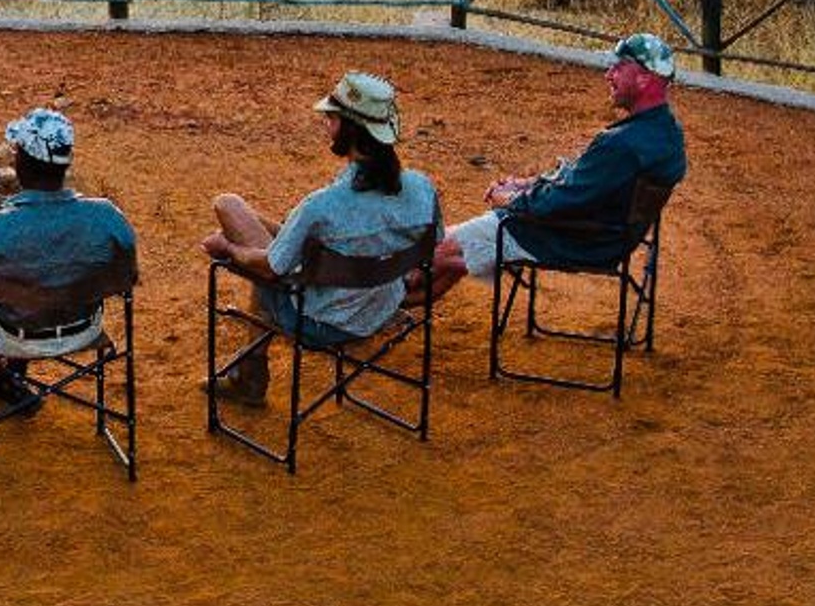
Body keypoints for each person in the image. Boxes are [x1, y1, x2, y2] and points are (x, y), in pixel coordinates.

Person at [200, 71, 440, 406]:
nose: (326, 124)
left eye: (331, 118)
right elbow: (433, 243)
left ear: (349, 129)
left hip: (320, 321)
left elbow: (271, 268)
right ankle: (248, 375)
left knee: (228, 207)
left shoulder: (322, 206)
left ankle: (250, 378)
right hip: (381, 306)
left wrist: (228, 248)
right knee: (256, 225)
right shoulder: (422, 188)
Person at [0, 108, 137, 414]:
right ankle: (7, 377)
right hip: (84, 327)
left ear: (19, 164)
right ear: (67, 161)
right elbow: (128, 276)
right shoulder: (107, 215)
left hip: (14, 335)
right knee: (32, 280)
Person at [433, 32, 688, 291]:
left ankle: (407, 297)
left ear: (644, 78)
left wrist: (510, 199)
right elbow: (586, 183)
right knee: (450, 257)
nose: (609, 75)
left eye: (619, 68)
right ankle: (415, 294)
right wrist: (528, 184)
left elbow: (560, 201)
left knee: (436, 250)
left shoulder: (620, 144)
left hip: (565, 240)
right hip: (609, 239)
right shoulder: (669, 135)